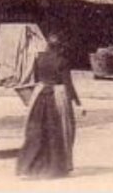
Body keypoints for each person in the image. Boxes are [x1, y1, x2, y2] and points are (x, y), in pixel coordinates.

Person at [17, 33, 83, 179]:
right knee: (59, 132)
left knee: (36, 132)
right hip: (57, 96)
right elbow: (68, 84)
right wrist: (78, 103)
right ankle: (55, 167)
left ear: (47, 44)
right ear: (60, 47)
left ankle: (29, 167)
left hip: (40, 96)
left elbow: (36, 78)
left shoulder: (39, 58)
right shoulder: (62, 61)